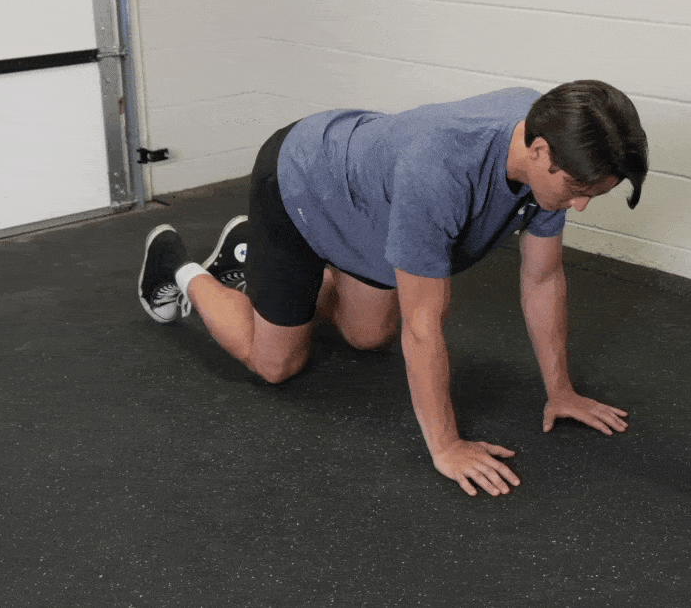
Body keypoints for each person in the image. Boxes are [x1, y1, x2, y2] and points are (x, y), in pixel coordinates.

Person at [137, 80, 649, 497]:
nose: (580, 206)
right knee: (276, 363)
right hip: (301, 179)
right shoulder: (440, 172)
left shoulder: (554, 134)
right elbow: (423, 325)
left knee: (367, 336)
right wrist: (446, 446)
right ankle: (181, 268)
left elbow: (542, 277)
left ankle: (255, 258)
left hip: (369, 205)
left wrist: (561, 391)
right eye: (579, 192)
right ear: (539, 152)